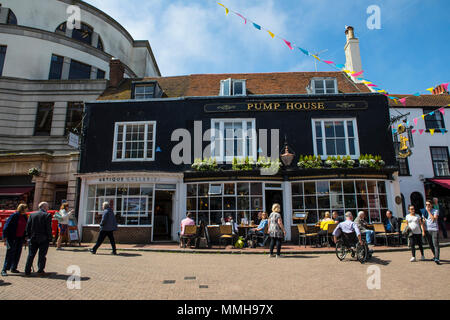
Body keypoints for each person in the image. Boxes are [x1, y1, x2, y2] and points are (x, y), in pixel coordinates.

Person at [24, 202, 52, 276]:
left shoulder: (32, 215)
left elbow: (28, 226)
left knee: (31, 255)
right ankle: (40, 270)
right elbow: (48, 228)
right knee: (42, 255)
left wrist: (27, 236)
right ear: (44, 207)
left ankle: (27, 270)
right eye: (47, 207)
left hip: (33, 238)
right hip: (44, 238)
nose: (48, 208)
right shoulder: (47, 215)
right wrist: (50, 238)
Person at [2, 204, 28, 276]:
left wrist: (26, 236)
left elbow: (26, 227)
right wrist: (4, 237)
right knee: (10, 253)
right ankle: (4, 269)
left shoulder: (25, 216)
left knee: (17, 253)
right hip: (12, 237)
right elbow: (6, 226)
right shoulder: (14, 215)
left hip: (20, 238)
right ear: (23, 209)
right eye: (26, 208)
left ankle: (13, 267)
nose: (27, 210)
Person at [422, 200, 440, 264]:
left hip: (434, 229)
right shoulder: (424, 212)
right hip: (428, 229)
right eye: (426, 204)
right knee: (430, 244)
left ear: (431, 205)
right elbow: (423, 221)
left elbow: (434, 219)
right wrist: (423, 230)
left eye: (429, 204)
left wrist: (429, 211)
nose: (427, 206)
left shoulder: (435, 211)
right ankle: (435, 256)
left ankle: (437, 258)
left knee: (435, 244)